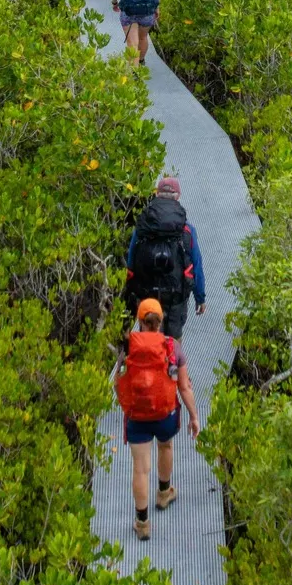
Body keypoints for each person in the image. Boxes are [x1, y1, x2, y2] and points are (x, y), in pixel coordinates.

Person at [112, 295, 200, 540]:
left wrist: (127, 405)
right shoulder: (172, 346)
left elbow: (117, 382)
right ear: (160, 322)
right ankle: (163, 493)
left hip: (137, 415)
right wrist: (194, 417)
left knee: (140, 470)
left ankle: (142, 523)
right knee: (166, 446)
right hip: (165, 413)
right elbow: (184, 387)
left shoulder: (129, 346)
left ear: (139, 321)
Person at [125, 174, 207, 340]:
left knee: (148, 341)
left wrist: (130, 299)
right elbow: (196, 266)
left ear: (156, 194)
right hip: (175, 297)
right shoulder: (186, 229)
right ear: (178, 197)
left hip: (147, 296)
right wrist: (200, 297)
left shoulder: (142, 228)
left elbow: (131, 263)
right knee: (174, 344)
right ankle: (173, 365)